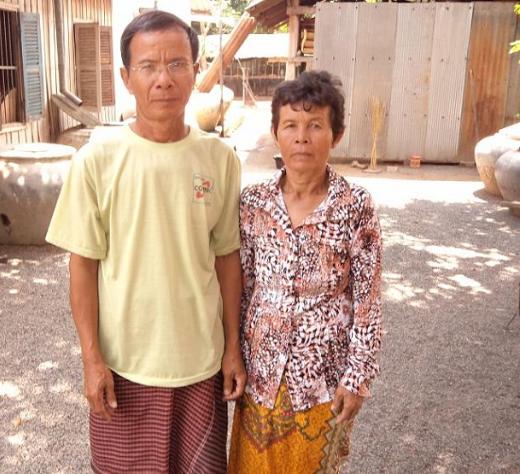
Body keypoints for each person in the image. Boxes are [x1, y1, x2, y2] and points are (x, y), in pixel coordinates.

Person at [46, 10, 246, 473]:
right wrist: (91, 359)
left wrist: (232, 346)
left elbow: (227, 257)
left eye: (177, 64)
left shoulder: (219, 159)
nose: (163, 79)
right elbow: (83, 265)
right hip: (123, 365)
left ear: (196, 72)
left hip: (201, 362)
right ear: (126, 78)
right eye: (148, 66)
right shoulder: (97, 159)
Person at [228, 70, 383, 473]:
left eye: (315, 125)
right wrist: (233, 353)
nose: (302, 137)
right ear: (275, 133)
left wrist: (358, 376)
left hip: (322, 382)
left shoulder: (355, 206)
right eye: (291, 125)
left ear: (336, 135)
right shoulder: (254, 202)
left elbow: (367, 303)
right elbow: (243, 287)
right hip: (260, 375)